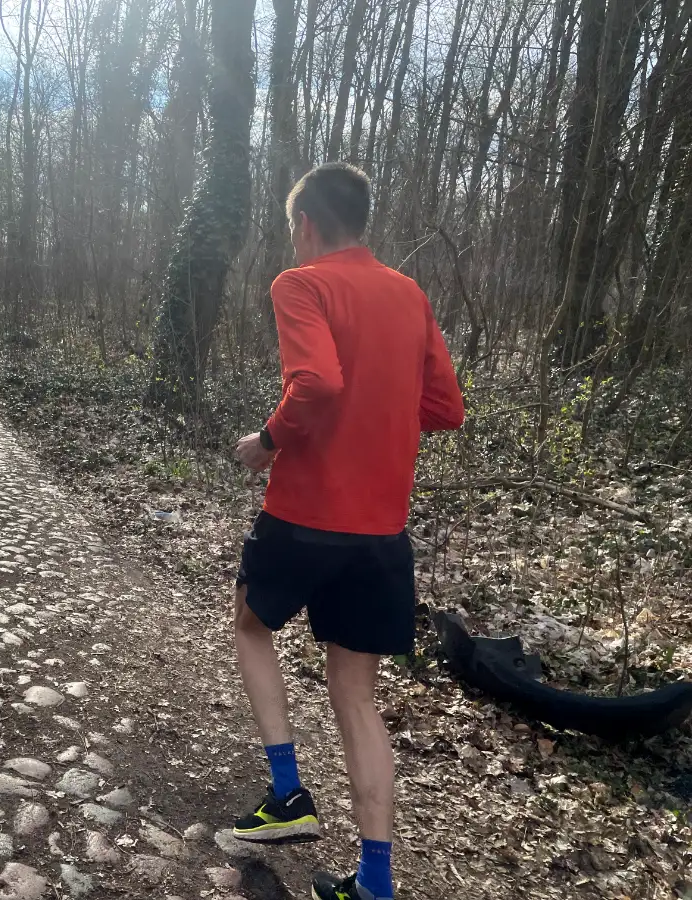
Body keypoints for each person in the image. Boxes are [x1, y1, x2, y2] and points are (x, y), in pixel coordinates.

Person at [229, 162, 465, 900]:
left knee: (248, 625)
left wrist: (266, 441)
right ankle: (374, 883)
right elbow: (446, 408)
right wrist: (382, 411)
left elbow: (319, 383)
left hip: (302, 517)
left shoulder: (299, 284)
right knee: (355, 696)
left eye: (291, 227)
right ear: (360, 220)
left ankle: (289, 794)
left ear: (305, 225)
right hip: (381, 533)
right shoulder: (409, 293)